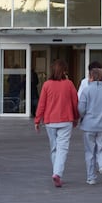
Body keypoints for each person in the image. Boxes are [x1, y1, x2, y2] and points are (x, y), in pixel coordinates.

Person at [34, 59, 79, 188]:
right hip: (66, 120)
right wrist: (76, 117)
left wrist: (37, 120)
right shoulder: (69, 84)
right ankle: (57, 174)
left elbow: (41, 104)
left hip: (50, 121)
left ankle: (56, 172)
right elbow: (75, 103)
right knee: (62, 148)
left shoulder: (47, 85)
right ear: (64, 70)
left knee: (54, 148)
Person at [78, 68, 102, 185]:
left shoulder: (86, 90)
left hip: (89, 125)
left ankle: (91, 177)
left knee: (89, 151)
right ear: (101, 77)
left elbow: (81, 108)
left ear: (90, 77)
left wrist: (83, 116)